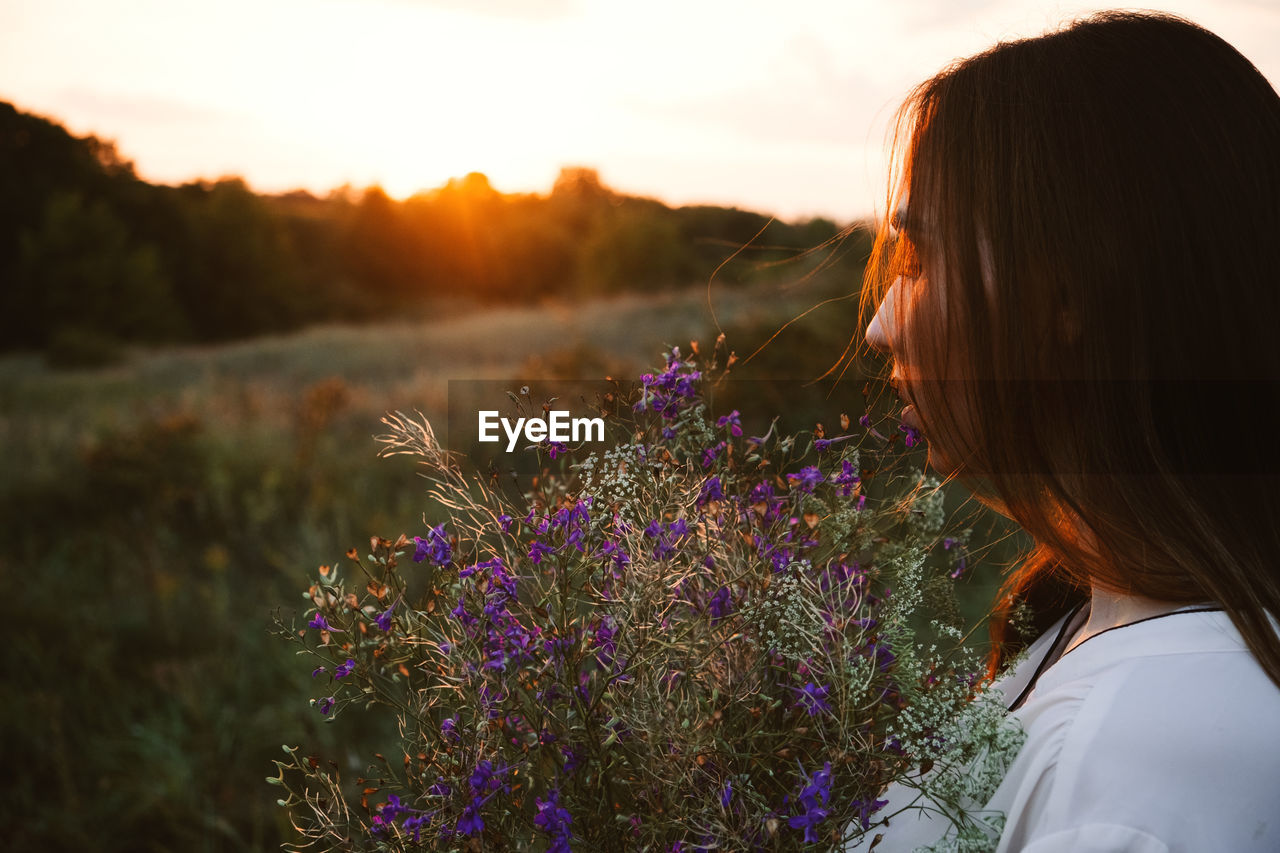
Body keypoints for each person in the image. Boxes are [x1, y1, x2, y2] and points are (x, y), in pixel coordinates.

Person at [852, 11, 1280, 852]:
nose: (882, 326)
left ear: (1070, 295)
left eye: (920, 260)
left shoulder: (1156, 757)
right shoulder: (1101, 628)